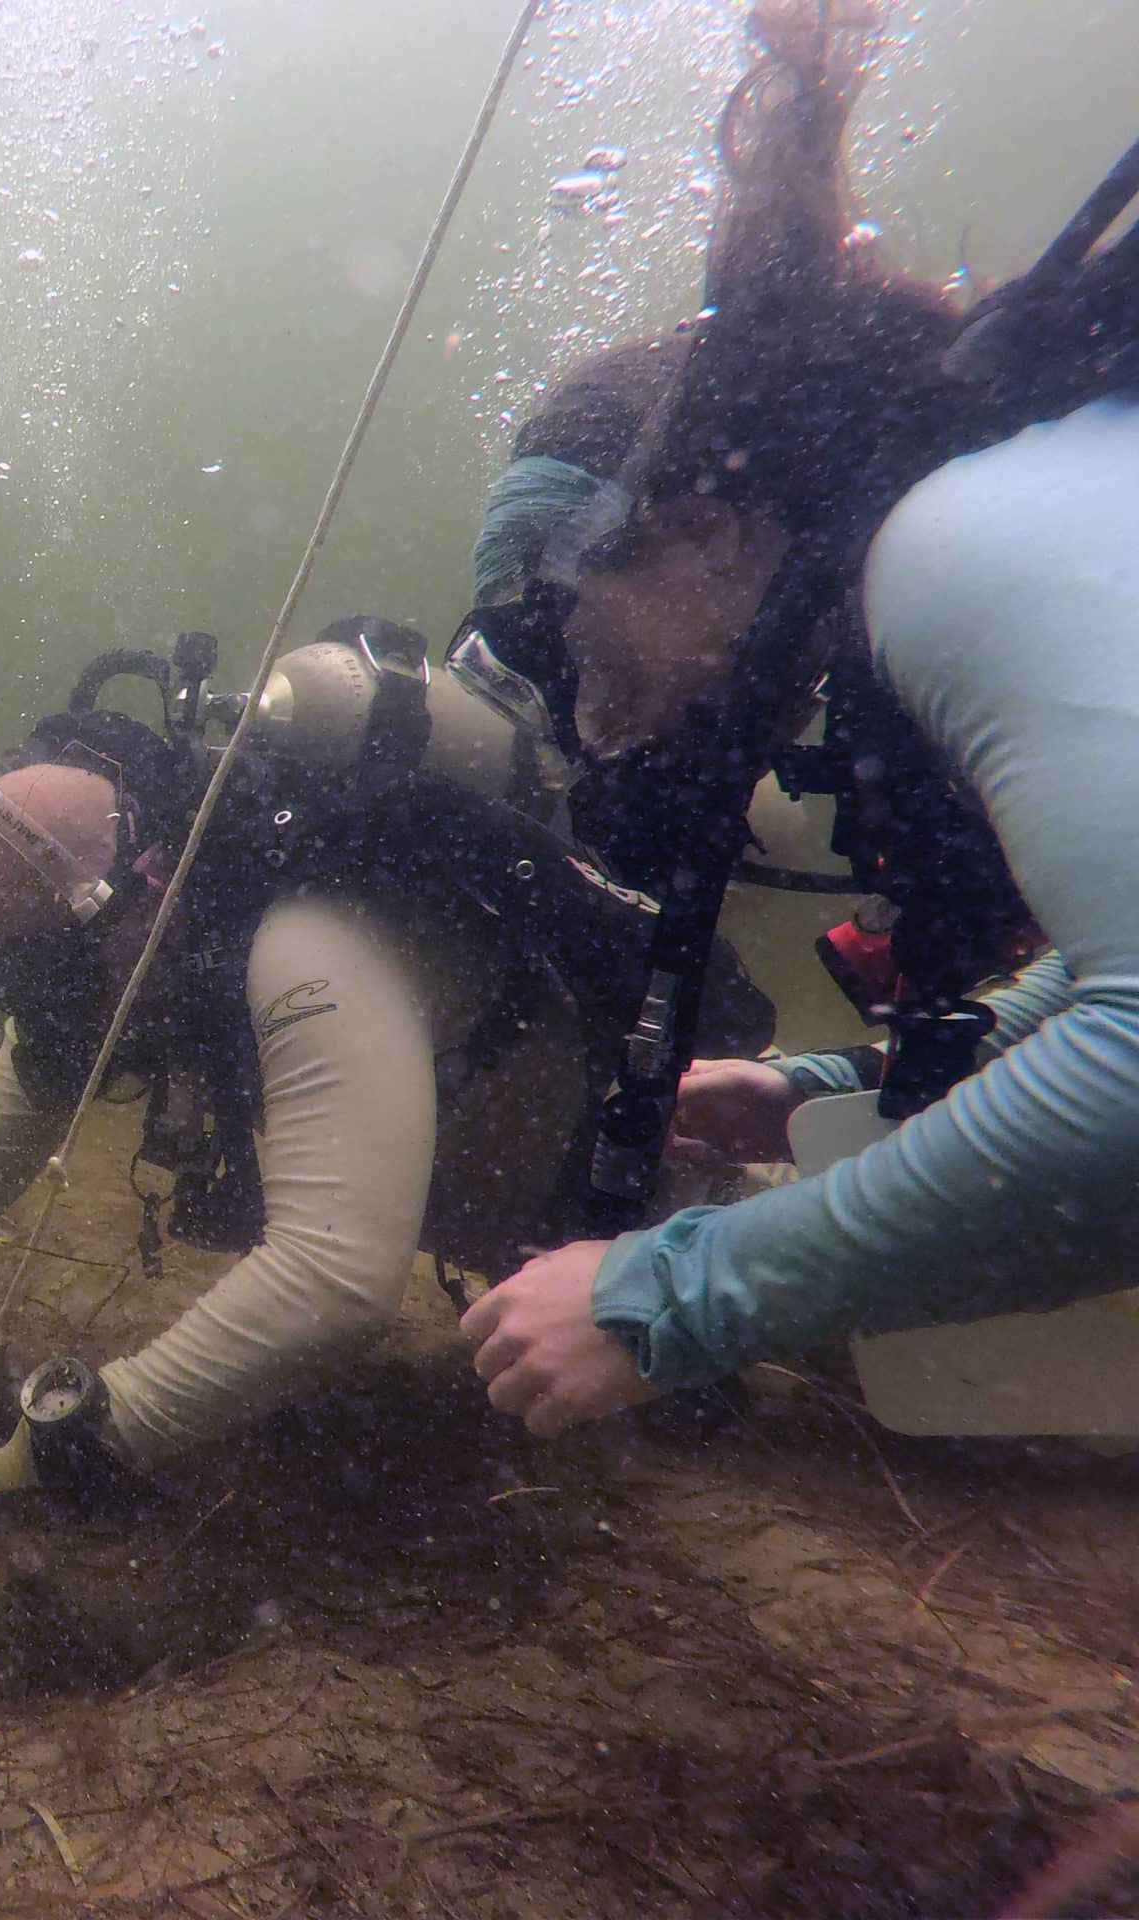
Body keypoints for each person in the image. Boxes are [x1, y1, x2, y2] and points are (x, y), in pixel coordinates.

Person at [0, 627, 772, 1517]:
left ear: (132, 904)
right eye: (8, 995)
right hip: (503, 1220)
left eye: (43, 987)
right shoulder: (107, 963)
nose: (39, 1027)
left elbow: (336, 1282)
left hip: (677, 1203)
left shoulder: (301, 945)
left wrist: (74, 1442)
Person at [457, 0, 1139, 1436]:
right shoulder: (1002, 515)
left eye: (574, 590)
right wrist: (836, 1080)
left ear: (698, 522)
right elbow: (1105, 971)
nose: (570, 658)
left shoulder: (952, 555)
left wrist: (684, 1291)